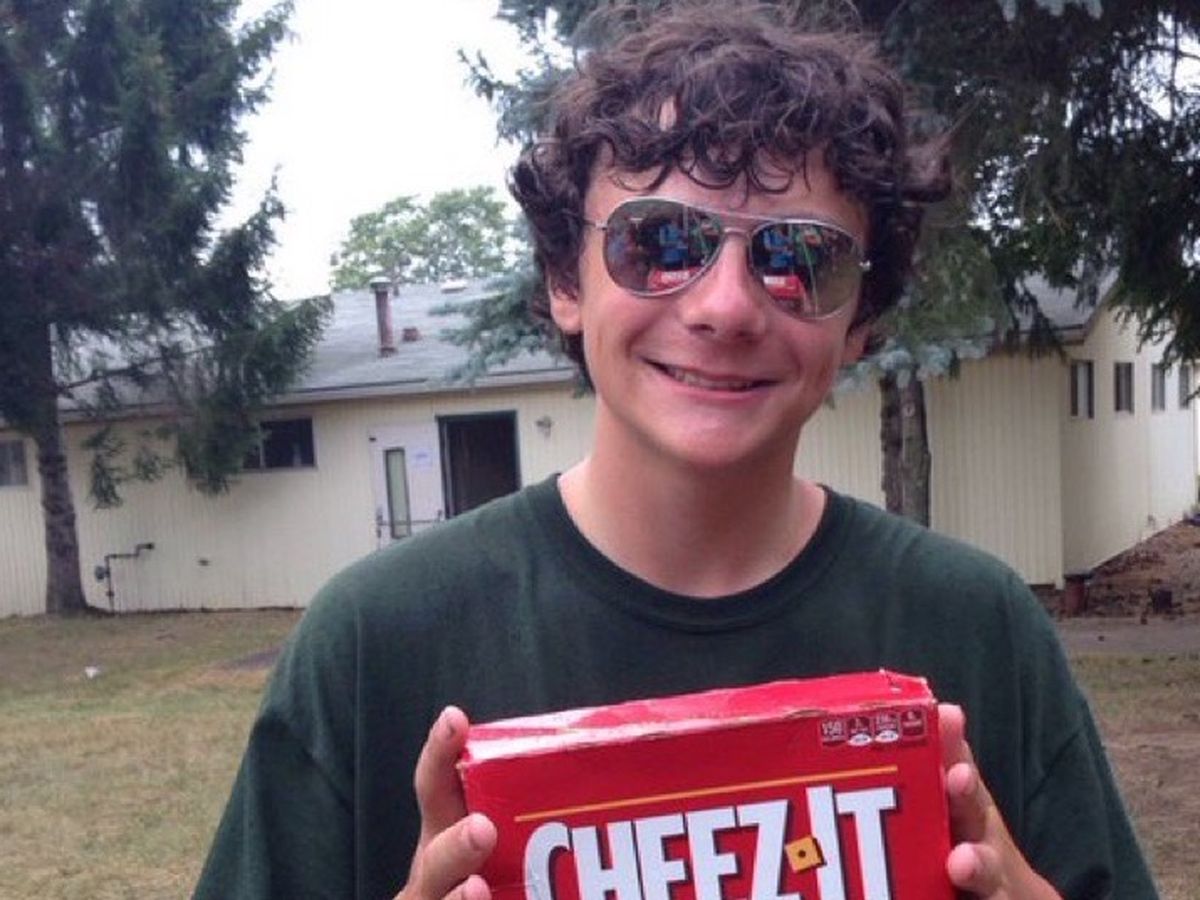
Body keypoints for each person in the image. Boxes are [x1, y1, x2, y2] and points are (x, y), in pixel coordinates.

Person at [194, 3, 1158, 898]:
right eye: (658, 242)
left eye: (799, 257)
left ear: (860, 318)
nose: (725, 306)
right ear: (565, 280)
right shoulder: (375, 645)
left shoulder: (979, 630)